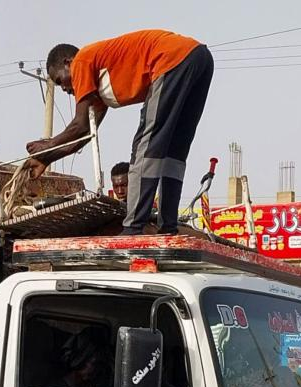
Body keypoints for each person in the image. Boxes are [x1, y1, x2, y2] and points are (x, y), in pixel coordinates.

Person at [25, 30, 213, 235]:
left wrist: (48, 144)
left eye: (60, 80)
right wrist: (47, 158)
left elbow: (78, 125)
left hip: (171, 60)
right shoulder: (98, 93)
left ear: (67, 62)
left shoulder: (81, 61)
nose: (64, 89)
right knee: (173, 151)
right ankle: (168, 227)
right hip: (200, 58)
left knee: (145, 146)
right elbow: (84, 135)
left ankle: (133, 227)